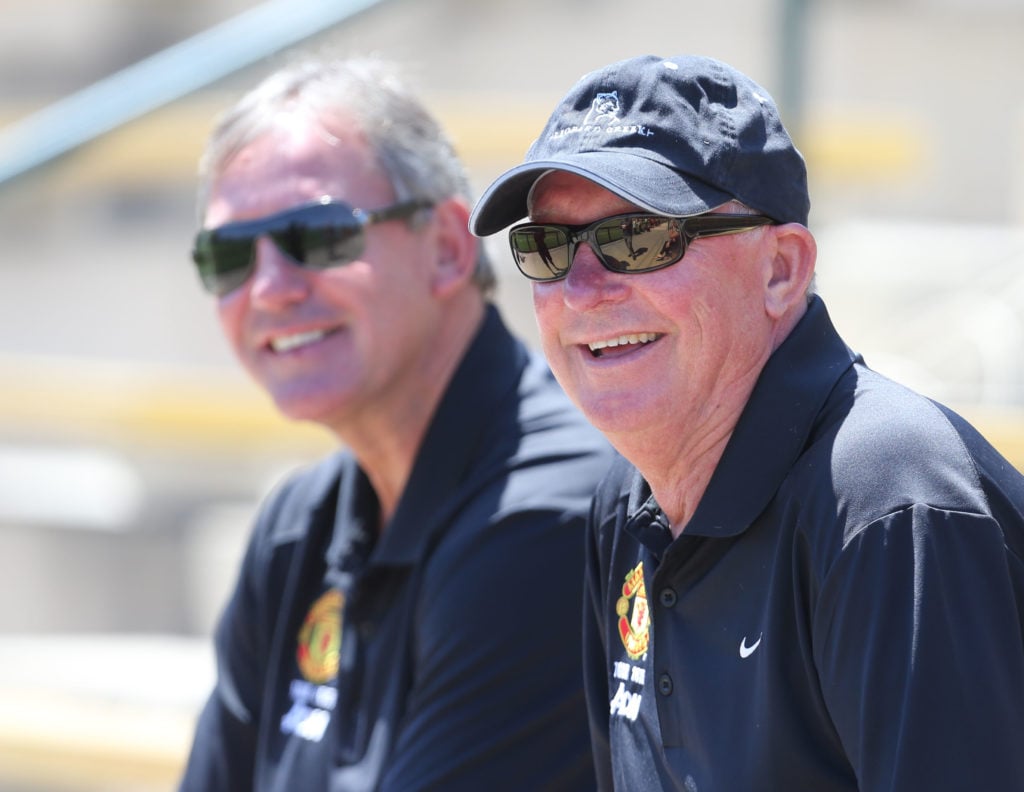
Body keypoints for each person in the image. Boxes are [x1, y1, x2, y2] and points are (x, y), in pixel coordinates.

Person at [469, 54, 1024, 791]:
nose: (581, 290)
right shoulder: (626, 499)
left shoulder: (891, 503)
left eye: (638, 239)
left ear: (781, 270)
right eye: (548, 247)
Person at [178, 55, 614, 791]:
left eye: (317, 237)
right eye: (228, 257)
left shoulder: (549, 512)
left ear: (447, 249)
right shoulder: (297, 525)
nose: (271, 290)